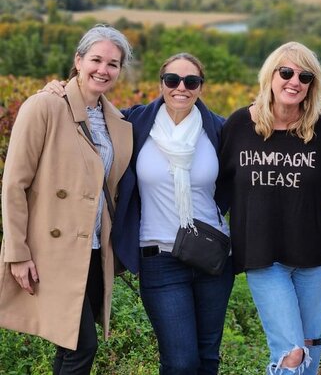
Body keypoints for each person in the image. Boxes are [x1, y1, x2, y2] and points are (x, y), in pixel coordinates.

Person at [41, 52, 235, 374]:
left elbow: (238, 176)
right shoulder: (134, 123)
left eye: (191, 81)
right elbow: (86, 113)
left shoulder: (219, 129)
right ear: (161, 84)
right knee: (180, 362)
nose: (181, 88)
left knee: (207, 357)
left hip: (212, 258)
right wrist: (57, 93)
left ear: (201, 86)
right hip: (159, 259)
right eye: (172, 80)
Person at [0, 25, 133, 374]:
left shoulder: (118, 121)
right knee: (80, 347)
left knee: (70, 346)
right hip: (50, 251)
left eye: (113, 64)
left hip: (92, 251)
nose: (103, 70)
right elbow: (14, 184)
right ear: (78, 60)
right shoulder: (44, 106)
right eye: (96, 59)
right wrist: (17, 253)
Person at [218, 41, 321, 375]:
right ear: (270, 76)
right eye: (286, 72)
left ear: (311, 85)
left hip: (314, 257)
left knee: (312, 346)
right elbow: (216, 186)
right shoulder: (239, 125)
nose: (294, 81)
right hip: (263, 255)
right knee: (291, 352)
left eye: (304, 76)